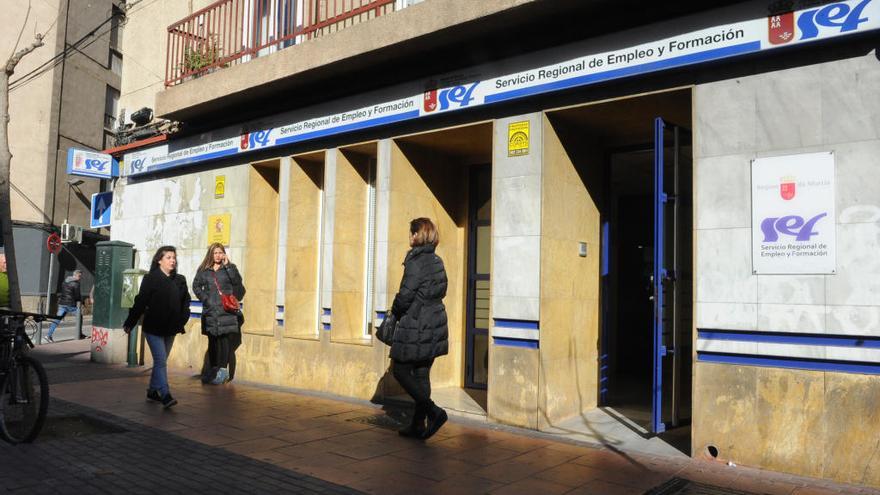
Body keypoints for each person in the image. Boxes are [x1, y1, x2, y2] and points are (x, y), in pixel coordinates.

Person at [390, 217, 449, 439]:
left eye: (411, 233)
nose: (409, 237)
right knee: (422, 373)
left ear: (417, 235)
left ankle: (434, 411)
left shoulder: (415, 262)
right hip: (435, 323)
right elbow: (442, 291)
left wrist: (394, 311)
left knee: (401, 370)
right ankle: (417, 424)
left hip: (416, 324)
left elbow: (405, 296)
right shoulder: (437, 261)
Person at [123, 246, 191, 409]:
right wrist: (130, 322)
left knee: (161, 361)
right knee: (160, 361)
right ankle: (165, 395)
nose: (172, 260)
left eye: (174, 257)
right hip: (153, 328)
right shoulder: (151, 278)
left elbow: (185, 303)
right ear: (159, 260)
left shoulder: (180, 279)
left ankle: (152, 391)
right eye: (168, 257)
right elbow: (140, 301)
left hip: (171, 328)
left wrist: (182, 320)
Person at [192, 243, 245, 385]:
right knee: (213, 342)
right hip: (210, 313)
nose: (218, 255)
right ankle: (213, 370)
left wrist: (228, 266)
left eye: (220, 252)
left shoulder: (230, 269)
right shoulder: (204, 270)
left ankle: (223, 371)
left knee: (224, 342)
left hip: (226, 312)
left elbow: (238, 284)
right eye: (215, 253)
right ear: (211, 254)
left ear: (224, 254)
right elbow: (196, 286)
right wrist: (205, 299)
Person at [44, 269, 85, 342]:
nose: (80, 278)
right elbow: (77, 296)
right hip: (71, 305)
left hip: (62, 304)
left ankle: (48, 335)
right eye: (79, 276)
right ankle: (80, 334)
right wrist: (81, 302)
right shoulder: (76, 283)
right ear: (75, 275)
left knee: (57, 320)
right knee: (80, 317)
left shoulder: (65, 281)